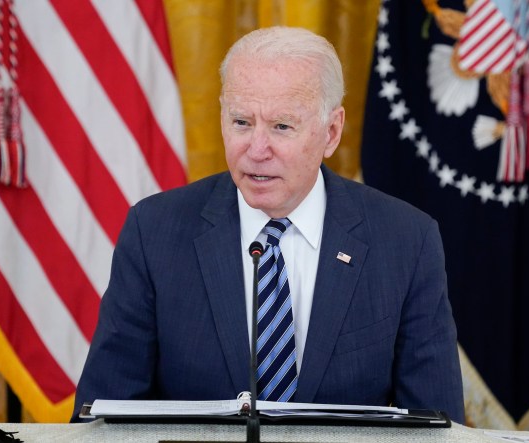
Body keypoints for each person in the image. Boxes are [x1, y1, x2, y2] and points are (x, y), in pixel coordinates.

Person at [72, 26, 465, 423]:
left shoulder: (406, 241)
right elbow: (102, 418)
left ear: (331, 132)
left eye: (281, 127)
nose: (256, 150)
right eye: (241, 122)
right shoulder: (154, 231)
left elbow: (434, 425)